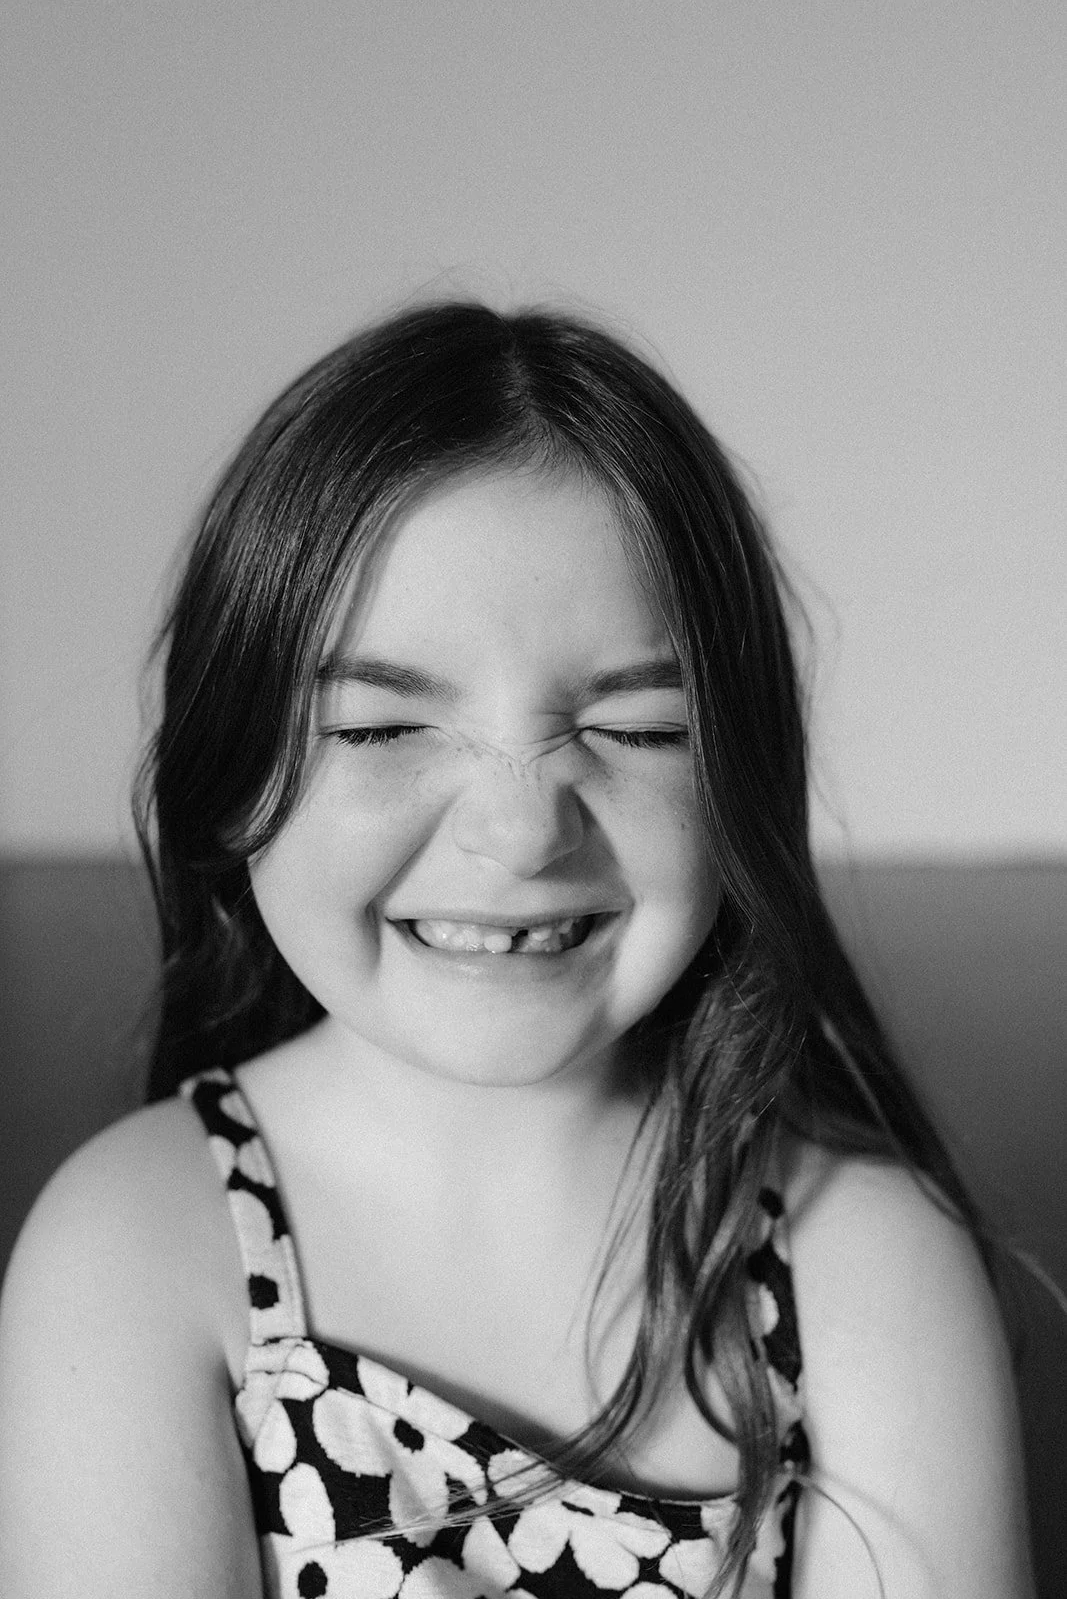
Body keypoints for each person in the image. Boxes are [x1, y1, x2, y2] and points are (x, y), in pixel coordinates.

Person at [0, 302, 1033, 1599]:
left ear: (742, 784)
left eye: (641, 728)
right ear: (229, 771)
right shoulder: (146, 1244)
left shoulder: (851, 1260)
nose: (518, 828)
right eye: (379, 729)